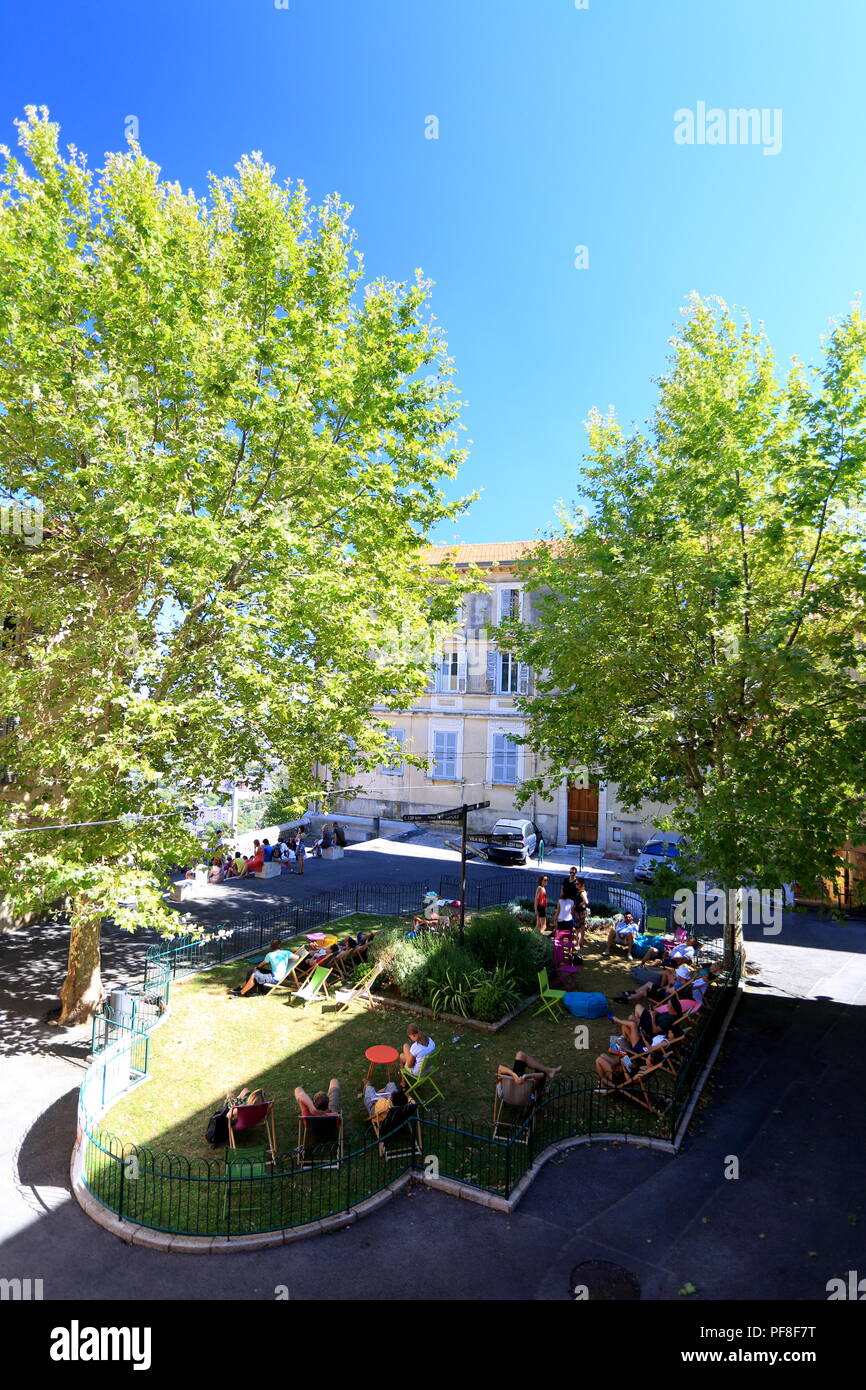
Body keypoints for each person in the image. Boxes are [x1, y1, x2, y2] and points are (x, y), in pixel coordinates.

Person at [231, 939, 297, 996]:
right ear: (280, 946)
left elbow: (261, 964)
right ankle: (241, 986)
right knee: (254, 971)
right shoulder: (286, 953)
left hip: (275, 978)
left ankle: (241, 993)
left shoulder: (270, 955)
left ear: (271, 947)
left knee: (254, 974)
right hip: (277, 974)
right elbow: (297, 957)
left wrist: (257, 969)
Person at [496, 1051, 562, 1108]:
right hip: (526, 1095)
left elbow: (500, 1068)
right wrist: (527, 1076)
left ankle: (549, 1071)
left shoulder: (502, 1092)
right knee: (540, 1072)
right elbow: (541, 1075)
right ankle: (544, 1085)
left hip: (509, 1091)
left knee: (520, 1055)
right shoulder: (530, 1096)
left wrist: (514, 1075)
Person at [295, 1078, 341, 1145]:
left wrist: (313, 1109)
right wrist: (325, 1112)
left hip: (313, 1128)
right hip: (331, 1126)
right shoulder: (335, 1115)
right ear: (328, 1104)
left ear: (313, 1103)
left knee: (301, 1094)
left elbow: (299, 1091)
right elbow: (339, 1123)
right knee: (334, 1081)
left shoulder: (308, 1116)